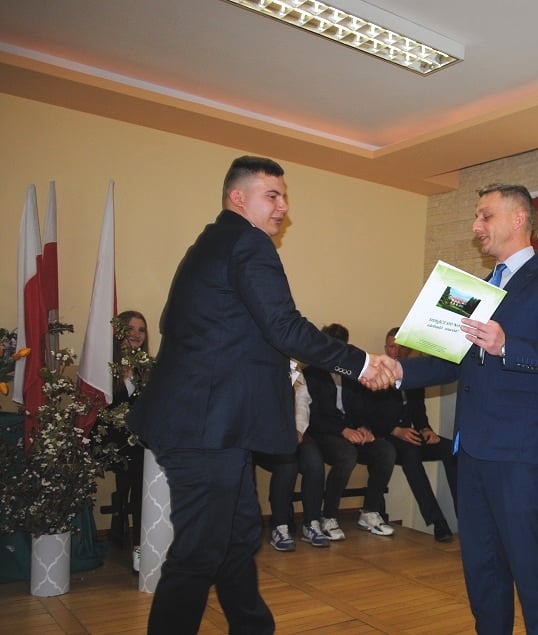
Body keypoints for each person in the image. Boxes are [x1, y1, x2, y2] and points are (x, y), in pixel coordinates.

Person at [127, 155, 397, 635]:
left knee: (237, 538)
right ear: (238, 198)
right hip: (206, 427)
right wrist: (361, 364)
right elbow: (284, 327)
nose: (283, 207)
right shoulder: (248, 243)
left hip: (210, 424)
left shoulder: (210, 244)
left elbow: (198, 328)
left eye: (284, 196)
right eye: (272, 196)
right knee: (200, 552)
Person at [395, 184, 538, 634]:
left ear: (518, 219)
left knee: (532, 571)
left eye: (485, 216)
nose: (475, 226)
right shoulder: (477, 289)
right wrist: (395, 371)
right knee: (482, 571)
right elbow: (450, 361)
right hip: (471, 451)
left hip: (521, 455)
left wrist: (508, 346)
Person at [347, 327, 457, 542]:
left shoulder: (415, 373)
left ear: (408, 349)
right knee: (410, 454)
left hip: (411, 433)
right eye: (391, 347)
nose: (395, 351)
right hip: (385, 435)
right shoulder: (377, 374)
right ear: (385, 348)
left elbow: (419, 411)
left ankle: (465, 513)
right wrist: (395, 430)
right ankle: (438, 522)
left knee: (450, 449)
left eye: (399, 347)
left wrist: (426, 429)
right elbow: (367, 415)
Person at [303, 323, 396, 540]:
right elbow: (313, 417)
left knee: (385, 450)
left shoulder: (351, 372)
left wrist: (365, 428)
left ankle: (370, 512)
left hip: (351, 432)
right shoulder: (311, 373)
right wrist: (342, 430)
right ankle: (328, 516)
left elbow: (362, 407)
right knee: (346, 455)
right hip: (324, 434)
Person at [255, 361, 332, 552]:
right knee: (287, 464)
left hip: (294, 432)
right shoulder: (258, 365)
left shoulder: (292, 367)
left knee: (314, 462)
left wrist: (297, 429)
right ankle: (279, 527)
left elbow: (302, 401)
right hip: (262, 436)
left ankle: (311, 523)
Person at [102, 309, 150, 572]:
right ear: (119, 332)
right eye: (130, 328)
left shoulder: (148, 367)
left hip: (139, 439)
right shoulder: (105, 366)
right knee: (141, 466)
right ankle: (140, 546)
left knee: (148, 460)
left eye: (141, 330)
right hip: (111, 438)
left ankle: (147, 540)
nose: (136, 334)